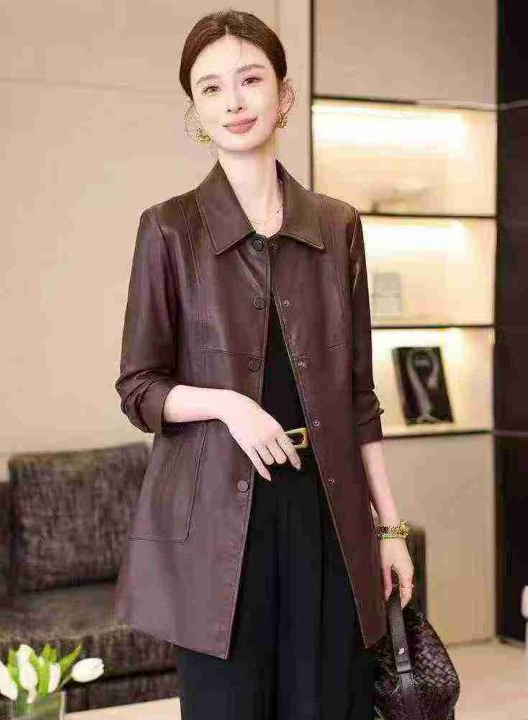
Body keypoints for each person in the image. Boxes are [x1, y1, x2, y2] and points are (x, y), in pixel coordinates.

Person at [115, 8, 414, 719]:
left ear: (283, 94)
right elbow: (138, 388)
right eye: (211, 87)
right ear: (196, 111)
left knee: (329, 703)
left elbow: (360, 397)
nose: (233, 101)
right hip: (217, 525)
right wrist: (229, 405)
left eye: (250, 80)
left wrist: (391, 531)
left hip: (324, 514)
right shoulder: (168, 229)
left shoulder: (337, 225)